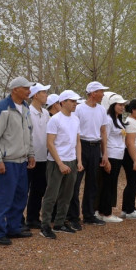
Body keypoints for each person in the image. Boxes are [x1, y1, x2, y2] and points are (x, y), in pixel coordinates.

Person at [0, 77, 36, 245]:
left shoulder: (26, 107)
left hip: (22, 161)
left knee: (20, 196)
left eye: (29, 88)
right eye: (26, 88)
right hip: (7, 162)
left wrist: (31, 154)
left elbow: (28, 133)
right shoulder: (3, 108)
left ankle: (14, 227)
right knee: (4, 198)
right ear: (15, 89)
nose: (29, 91)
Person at [40, 90, 84, 239]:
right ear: (63, 102)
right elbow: (50, 143)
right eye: (72, 101)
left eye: (76, 101)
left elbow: (77, 141)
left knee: (67, 194)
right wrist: (60, 163)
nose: (74, 104)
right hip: (56, 161)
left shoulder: (76, 119)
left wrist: (79, 161)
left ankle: (59, 223)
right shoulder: (55, 120)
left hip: (71, 160)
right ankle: (45, 225)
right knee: (51, 195)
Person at [69, 81, 111, 228]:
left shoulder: (101, 110)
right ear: (93, 93)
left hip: (95, 147)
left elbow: (103, 131)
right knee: (75, 183)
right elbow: (74, 131)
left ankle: (88, 214)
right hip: (81, 146)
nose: (103, 94)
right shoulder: (79, 109)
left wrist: (104, 153)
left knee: (92, 183)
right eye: (101, 91)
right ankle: (73, 216)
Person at [97, 93, 127, 223]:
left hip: (118, 155)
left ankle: (103, 210)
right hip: (111, 156)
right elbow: (105, 139)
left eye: (123, 105)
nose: (122, 107)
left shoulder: (118, 120)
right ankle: (106, 213)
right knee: (108, 184)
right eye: (120, 105)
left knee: (111, 184)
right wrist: (106, 157)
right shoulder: (108, 120)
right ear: (113, 105)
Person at [25, 82, 51, 230]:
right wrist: (30, 154)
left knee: (39, 188)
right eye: (43, 92)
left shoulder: (46, 113)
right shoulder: (27, 111)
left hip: (43, 156)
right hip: (30, 156)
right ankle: (19, 219)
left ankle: (33, 217)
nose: (46, 95)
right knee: (24, 188)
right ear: (35, 95)